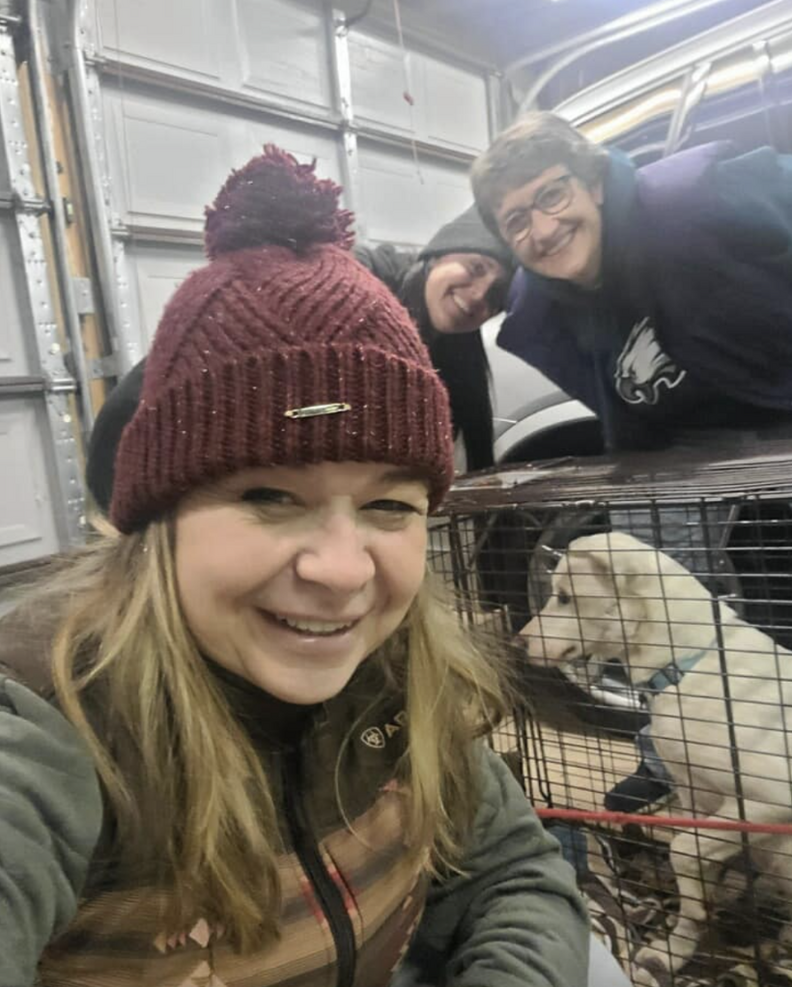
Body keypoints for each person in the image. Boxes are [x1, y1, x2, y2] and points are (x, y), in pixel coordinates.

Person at [0, 146, 590, 987]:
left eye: (391, 505)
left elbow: (516, 873)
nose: (345, 572)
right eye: (270, 496)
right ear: (155, 523)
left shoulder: (402, 669)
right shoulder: (56, 724)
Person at [471, 111, 792, 811]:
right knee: (660, 606)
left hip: (779, 420)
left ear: (595, 183)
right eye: (517, 220)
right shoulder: (534, 296)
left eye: (553, 196)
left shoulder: (693, 199)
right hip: (677, 448)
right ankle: (672, 758)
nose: (542, 228)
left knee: (774, 603)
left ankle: (772, 767)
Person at [84, 206, 512, 515]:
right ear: (438, 254)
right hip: (137, 461)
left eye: (497, 295)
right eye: (475, 267)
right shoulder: (344, 292)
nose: (478, 296)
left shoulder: (452, 348)